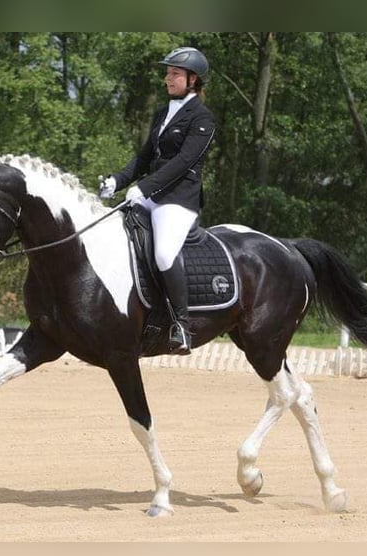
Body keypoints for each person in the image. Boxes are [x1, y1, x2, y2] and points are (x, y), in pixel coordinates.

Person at [99, 46, 216, 355]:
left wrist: (146, 187)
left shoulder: (203, 119)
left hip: (178, 200)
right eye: (168, 73)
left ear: (192, 80)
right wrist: (118, 180)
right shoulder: (163, 113)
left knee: (164, 254)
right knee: (112, 235)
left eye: (175, 73)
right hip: (151, 194)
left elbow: (184, 162)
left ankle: (181, 325)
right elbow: (144, 157)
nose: (168, 78)